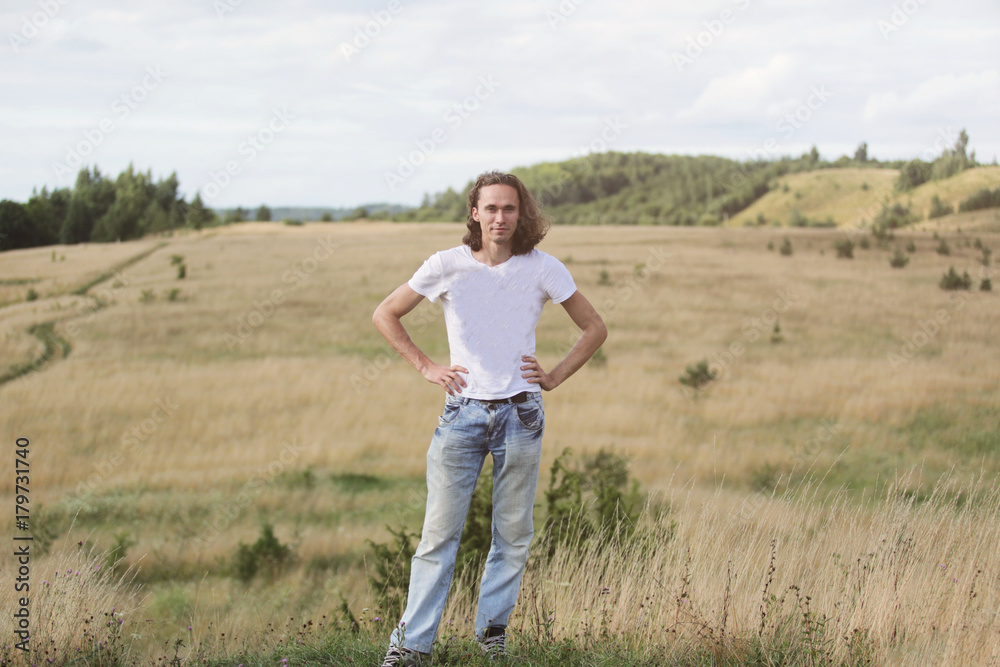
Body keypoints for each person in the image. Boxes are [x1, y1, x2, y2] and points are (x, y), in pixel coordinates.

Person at [372, 171, 607, 666]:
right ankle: (411, 647)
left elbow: (594, 328)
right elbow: (386, 314)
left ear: (522, 215)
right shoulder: (446, 265)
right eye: (491, 209)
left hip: (522, 414)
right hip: (461, 414)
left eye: (510, 209)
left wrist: (555, 375)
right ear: (474, 213)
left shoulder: (543, 268)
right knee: (438, 535)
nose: (501, 218)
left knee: (514, 533)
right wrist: (427, 367)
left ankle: (491, 637)